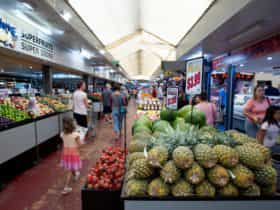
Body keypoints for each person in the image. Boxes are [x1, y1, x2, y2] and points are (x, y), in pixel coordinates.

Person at [60, 117, 82, 195]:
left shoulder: (62, 134)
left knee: (70, 166)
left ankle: (76, 174)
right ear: (73, 125)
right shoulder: (76, 134)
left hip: (66, 153)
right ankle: (66, 187)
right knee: (69, 170)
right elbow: (80, 144)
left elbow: (65, 143)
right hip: (73, 153)